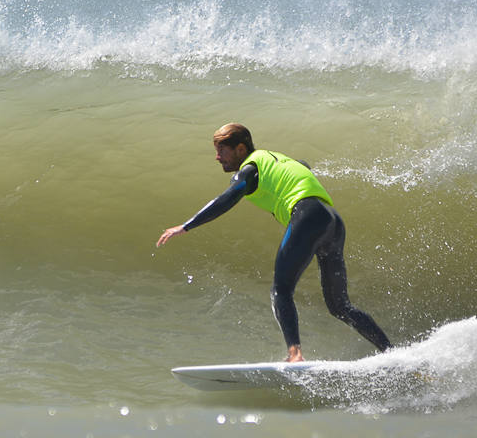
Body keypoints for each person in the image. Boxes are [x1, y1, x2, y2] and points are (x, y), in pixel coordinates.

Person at [156, 123, 392, 362]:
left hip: (307, 215)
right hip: (333, 221)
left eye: (222, 151)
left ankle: (295, 355)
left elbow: (228, 198)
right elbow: (303, 166)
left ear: (240, 148)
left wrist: (185, 226)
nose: (217, 157)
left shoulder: (248, 171)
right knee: (340, 306)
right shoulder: (275, 158)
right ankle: (392, 353)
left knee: (281, 289)